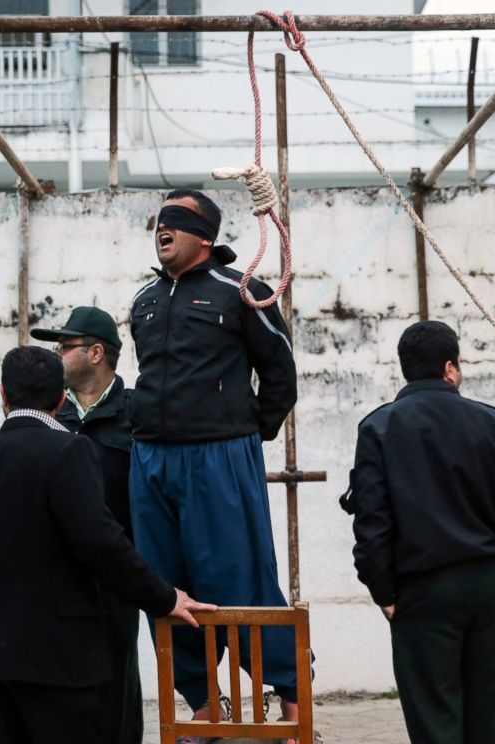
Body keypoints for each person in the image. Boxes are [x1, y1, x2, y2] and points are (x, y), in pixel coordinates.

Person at [0, 345, 215, 744]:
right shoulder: (70, 451)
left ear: (3, 394)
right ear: (60, 398)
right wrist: (163, 597)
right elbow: (101, 542)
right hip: (55, 652)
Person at [128, 189, 306, 739]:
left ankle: (292, 697)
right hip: (151, 456)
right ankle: (204, 706)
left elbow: (281, 375)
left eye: (175, 222)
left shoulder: (242, 292)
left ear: (205, 236)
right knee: (165, 583)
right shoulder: (144, 300)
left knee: (240, 578)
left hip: (219, 456)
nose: (163, 229)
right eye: (159, 222)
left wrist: (248, 434)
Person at [345, 320, 495, 744]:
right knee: (492, 718)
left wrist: (384, 593)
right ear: (450, 368)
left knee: (434, 721)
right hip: (485, 583)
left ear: (406, 369)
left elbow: (371, 522)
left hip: (420, 590)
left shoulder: (378, 428)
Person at [31, 307, 142, 744]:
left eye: (65, 347)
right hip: (59, 575)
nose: (56, 355)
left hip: (116, 573)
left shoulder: (136, 412)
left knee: (116, 685)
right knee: (60, 689)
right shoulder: (50, 418)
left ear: (96, 353)